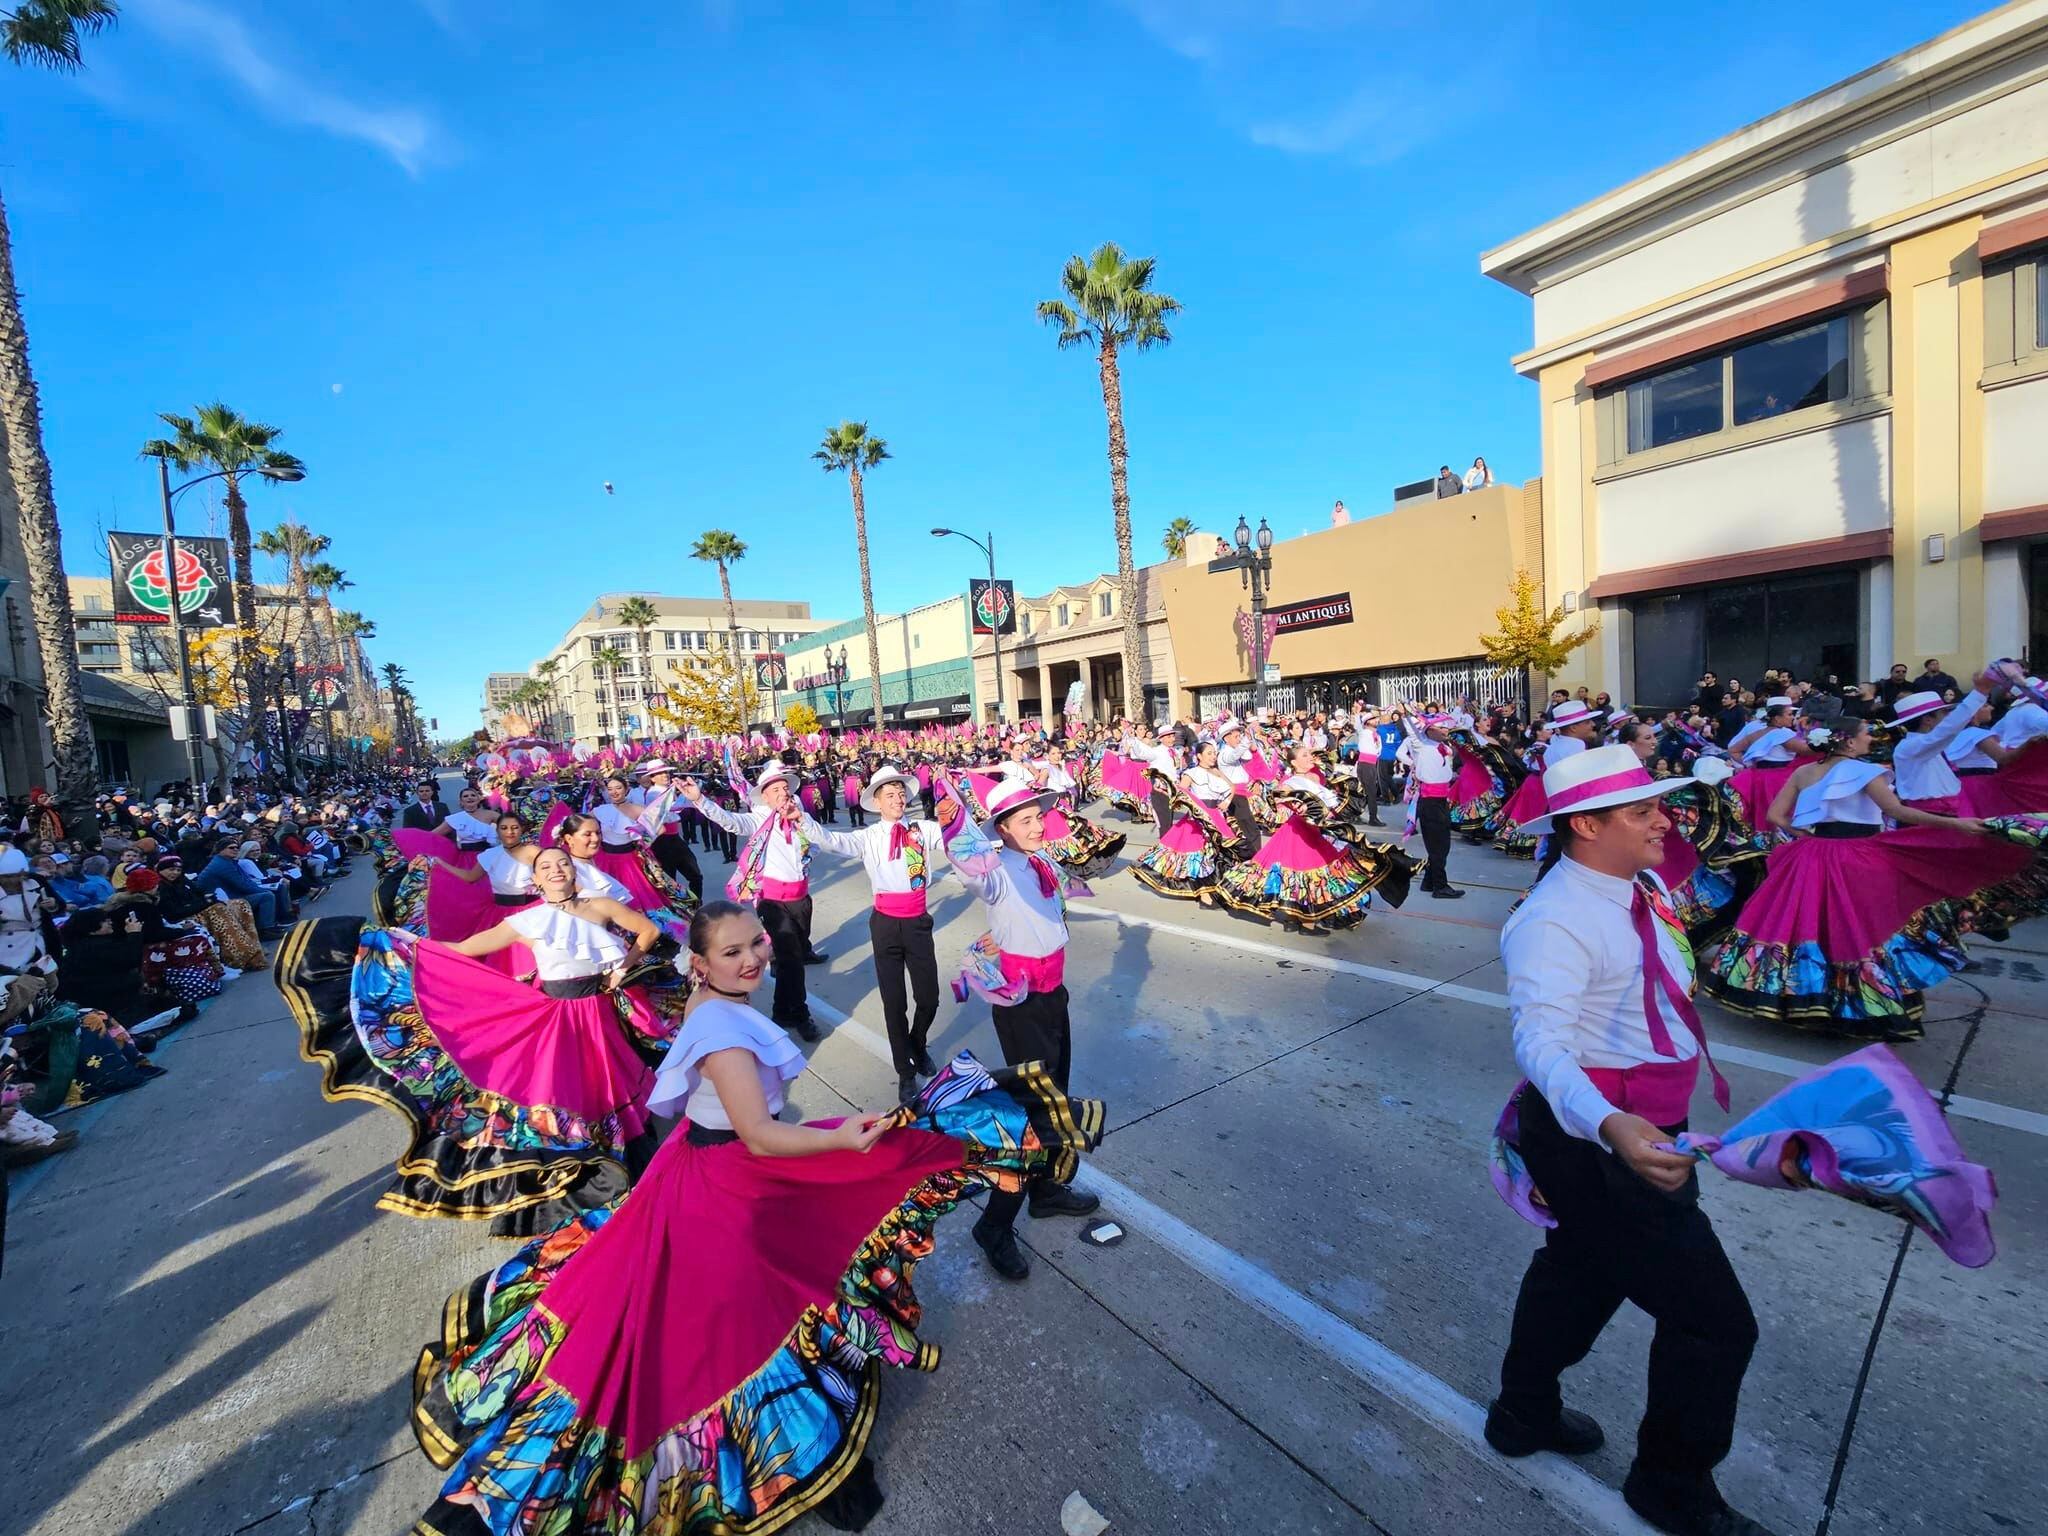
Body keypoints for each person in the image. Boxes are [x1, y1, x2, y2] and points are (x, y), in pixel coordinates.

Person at [405, 900, 1102, 1534]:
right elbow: (762, 1135)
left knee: (720, 1302)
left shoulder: (711, 1001)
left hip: (700, 1164)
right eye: (733, 951)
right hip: (727, 1179)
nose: (753, 959)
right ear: (702, 962)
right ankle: (789, 1453)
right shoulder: (722, 1032)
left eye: (756, 944)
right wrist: (840, 1138)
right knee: (746, 1316)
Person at [1488, 744, 1774, 1536]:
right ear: (1587, 825)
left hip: (1639, 1126)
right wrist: (1612, 1126)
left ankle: (1522, 1411)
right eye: (1643, 809)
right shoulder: (1552, 920)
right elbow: (1540, 1042)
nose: (1664, 820)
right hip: (1600, 1136)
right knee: (1715, 1323)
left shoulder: (1640, 887)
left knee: (1581, 1270)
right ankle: (1670, 1487)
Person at [942, 775, 1103, 1280]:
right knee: (1034, 1113)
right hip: (1022, 1002)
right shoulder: (996, 871)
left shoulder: (1040, 862)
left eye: (1039, 817)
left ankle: (1046, 1190)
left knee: (1057, 1098)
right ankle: (994, 1224)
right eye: (1026, 820)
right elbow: (973, 873)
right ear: (1003, 829)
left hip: (1053, 994)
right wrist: (954, 821)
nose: (1037, 826)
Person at [801, 765, 949, 1101]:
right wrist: (803, 821)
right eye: (890, 795)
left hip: (918, 922)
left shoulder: (922, 829)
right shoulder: (868, 837)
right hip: (885, 925)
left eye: (901, 793)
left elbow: (956, 838)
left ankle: (918, 1043)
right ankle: (904, 1071)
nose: (898, 799)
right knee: (894, 1002)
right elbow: (832, 840)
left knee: (929, 998)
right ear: (878, 802)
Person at [680, 761, 823, 1041]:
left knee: (789, 960)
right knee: (792, 959)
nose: (783, 793)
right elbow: (730, 821)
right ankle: (801, 1014)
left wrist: (807, 843)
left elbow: (815, 844)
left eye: (785, 788)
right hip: (773, 901)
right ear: (764, 796)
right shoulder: (759, 819)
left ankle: (781, 1012)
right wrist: (699, 800)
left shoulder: (799, 815)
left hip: (801, 897)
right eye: (776, 789)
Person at [1398, 714, 1463, 898]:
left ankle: (1429, 881)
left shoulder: (1444, 747)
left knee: (1441, 845)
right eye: (1441, 728)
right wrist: (1406, 712)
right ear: (1429, 730)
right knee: (1438, 846)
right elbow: (1411, 728)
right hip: (1430, 801)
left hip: (1441, 800)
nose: (1445, 731)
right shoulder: (1421, 744)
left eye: (1446, 727)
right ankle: (1440, 886)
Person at [192, 835, 286, 938]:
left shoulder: (227, 861)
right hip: (223, 900)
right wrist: (263, 890)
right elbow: (243, 885)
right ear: (221, 850)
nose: (235, 849)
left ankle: (273, 923)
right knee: (267, 896)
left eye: (237, 847)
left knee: (271, 890)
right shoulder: (221, 864)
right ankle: (266, 929)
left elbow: (245, 881)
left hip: (231, 894)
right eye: (231, 847)